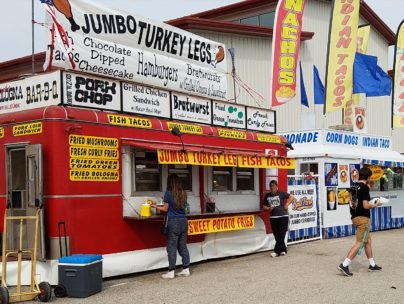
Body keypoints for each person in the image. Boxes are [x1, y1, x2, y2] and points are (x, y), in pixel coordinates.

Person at [338, 167, 383, 276]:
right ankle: (344, 264)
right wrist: (376, 204)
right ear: (368, 177)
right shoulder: (364, 188)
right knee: (360, 242)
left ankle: (372, 264)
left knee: (367, 241)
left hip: (354, 217)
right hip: (363, 218)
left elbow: (354, 203)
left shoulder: (353, 186)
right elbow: (365, 205)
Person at [152, 174, 190, 279]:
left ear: (169, 182)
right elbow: (180, 206)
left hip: (173, 222)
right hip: (184, 221)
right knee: (182, 245)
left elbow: (165, 209)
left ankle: (171, 271)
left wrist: (155, 206)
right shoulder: (183, 193)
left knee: (171, 246)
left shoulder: (168, 193)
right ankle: (186, 269)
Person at [263, 180, 294, 257]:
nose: (272, 187)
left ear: (277, 187)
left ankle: (276, 251)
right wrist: (268, 208)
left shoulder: (281, 193)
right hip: (273, 217)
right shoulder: (267, 196)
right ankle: (283, 249)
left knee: (282, 234)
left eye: (273, 186)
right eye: (271, 186)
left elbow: (292, 197)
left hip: (283, 216)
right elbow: (264, 206)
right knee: (276, 235)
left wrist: (287, 204)